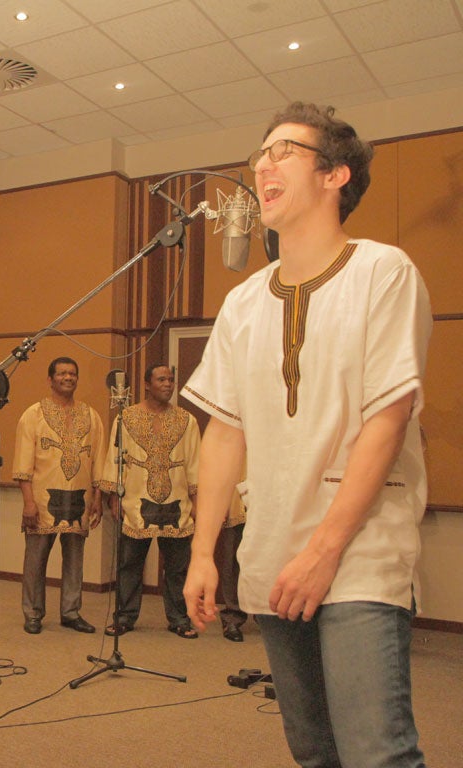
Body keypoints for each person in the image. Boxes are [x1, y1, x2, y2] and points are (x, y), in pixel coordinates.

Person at [182, 102, 431, 767]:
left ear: (335, 175)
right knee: (314, 752)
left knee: (376, 754)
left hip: (357, 550)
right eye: (260, 153)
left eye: (284, 151)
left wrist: (324, 551)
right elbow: (223, 432)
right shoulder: (242, 302)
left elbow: (389, 416)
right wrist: (204, 551)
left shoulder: (384, 272)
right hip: (270, 552)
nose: (263, 163)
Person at [101, 364, 200, 639]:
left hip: (177, 504)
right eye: (161, 379)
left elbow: (194, 464)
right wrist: (113, 497)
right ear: (147, 384)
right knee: (129, 565)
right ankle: (124, 617)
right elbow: (114, 459)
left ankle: (179, 619)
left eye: (171, 380)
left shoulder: (186, 420)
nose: (168, 384)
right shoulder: (126, 418)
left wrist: (197, 501)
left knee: (177, 568)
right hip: (135, 501)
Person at [13, 357, 105, 635]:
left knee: (75, 559)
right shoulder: (33, 415)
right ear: (50, 378)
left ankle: (70, 611)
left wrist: (98, 496)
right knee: (35, 559)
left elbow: (99, 458)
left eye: (73, 373)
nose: (68, 378)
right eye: (62, 373)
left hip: (80, 499)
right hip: (42, 500)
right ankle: (33, 613)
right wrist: (28, 501)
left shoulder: (91, 416)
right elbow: (23, 462)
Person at [218, 483, 247, 642]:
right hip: (236, 500)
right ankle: (232, 617)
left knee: (267, 560)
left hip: (267, 501)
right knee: (232, 561)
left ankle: (267, 616)